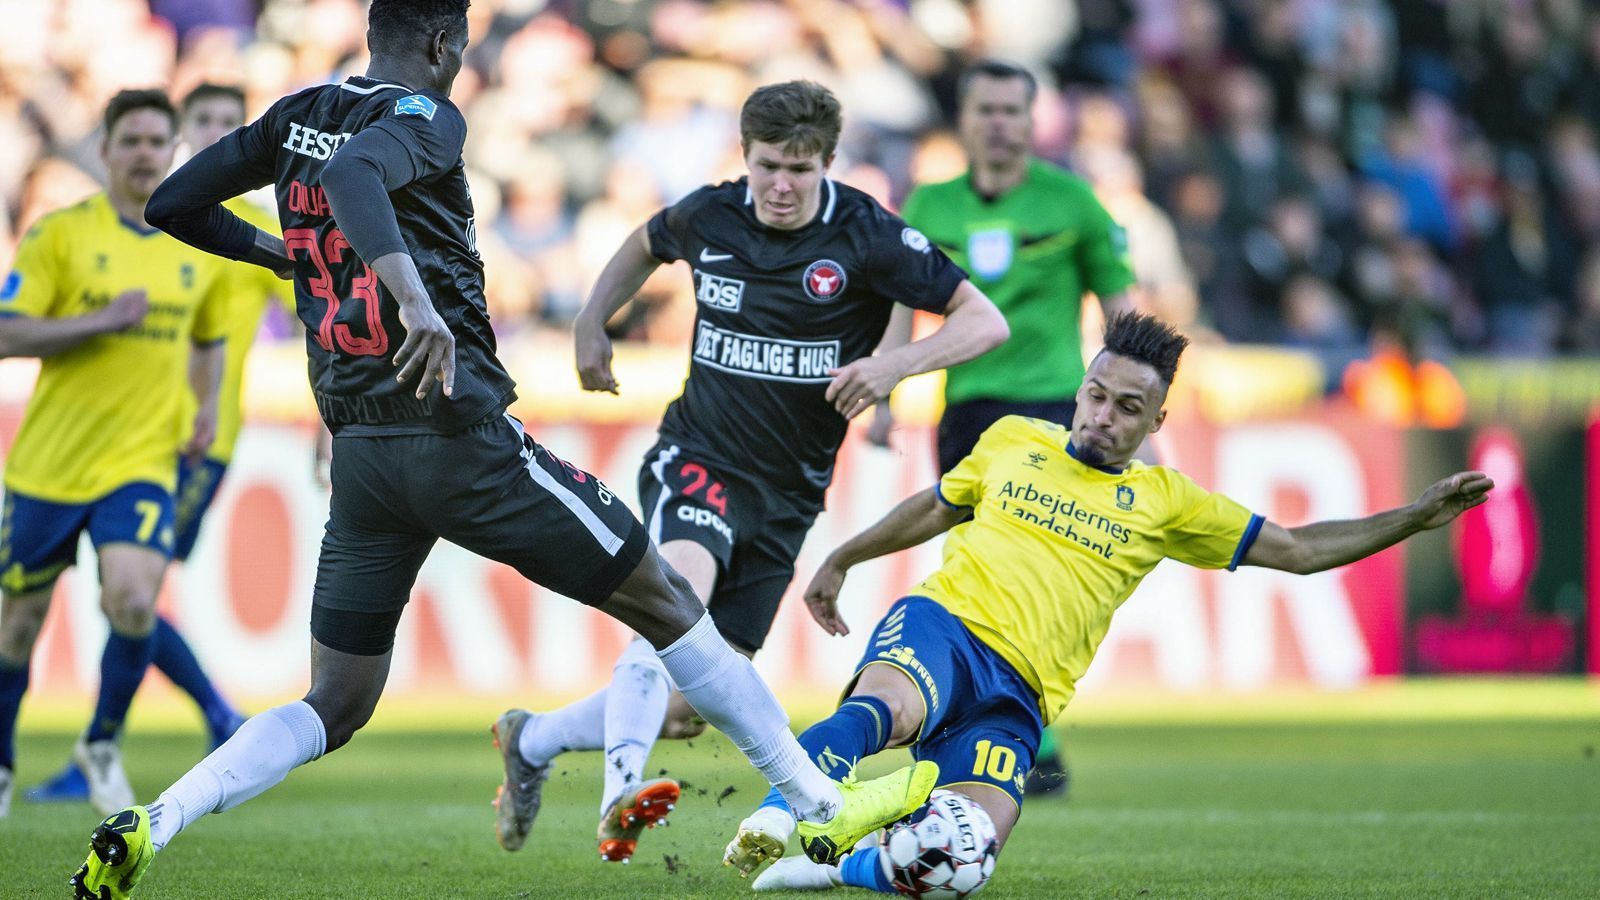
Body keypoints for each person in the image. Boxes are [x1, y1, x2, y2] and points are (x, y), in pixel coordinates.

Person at [69, 3, 939, 896]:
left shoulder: (297, 112)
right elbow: (360, 178)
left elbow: (170, 200)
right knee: (671, 603)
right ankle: (818, 802)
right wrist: (410, 300)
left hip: (364, 455)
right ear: (445, 43)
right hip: (462, 441)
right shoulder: (423, 116)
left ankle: (155, 820)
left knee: (334, 702)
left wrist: (277, 256)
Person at [734, 312, 1493, 890]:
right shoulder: (1010, 440)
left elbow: (1295, 549)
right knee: (886, 711)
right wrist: (842, 557)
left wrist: (1413, 519)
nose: (1103, 415)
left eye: (1128, 407)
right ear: (1080, 389)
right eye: (1096, 395)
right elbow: (936, 505)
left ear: (1156, 422)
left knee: (958, 864)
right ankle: (777, 811)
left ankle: (837, 866)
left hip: (1019, 697)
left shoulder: (1166, 501)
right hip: (946, 627)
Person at [496, 79, 1009, 864]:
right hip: (698, 456)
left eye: (800, 171)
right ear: (746, 156)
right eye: (768, 165)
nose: (780, 185)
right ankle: (619, 794)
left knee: (686, 704)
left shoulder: (868, 236)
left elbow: (984, 320)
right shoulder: (713, 213)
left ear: (829, 165)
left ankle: (531, 739)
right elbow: (643, 243)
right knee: (673, 598)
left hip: (787, 495)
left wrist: (894, 367)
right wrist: (591, 319)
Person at [875, 58, 1136, 797]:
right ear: (965, 119)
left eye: (1010, 111)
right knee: (980, 574)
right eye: (984, 109)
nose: (997, 123)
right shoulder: (930, 202)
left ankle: (1027, 727)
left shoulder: (1072, 201)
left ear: (1031, 121)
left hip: (1059, 410)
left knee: (1044, 573)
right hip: (970, 412)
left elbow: (1124, 315)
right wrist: (885, 398)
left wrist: (1139, 406)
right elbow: (899, 308)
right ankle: (997, 728)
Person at [25, 82, 283, 808]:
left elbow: (313, 312)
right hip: (119, 434)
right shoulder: (136, 220)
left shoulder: (251, 224)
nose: (214, 135)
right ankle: (176, 725)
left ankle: (179, 724)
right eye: (203, 122)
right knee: (128, 595)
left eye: (231, 126)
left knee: (132, 592)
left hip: (199, 439)